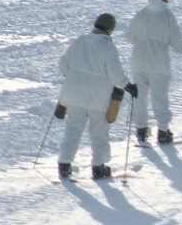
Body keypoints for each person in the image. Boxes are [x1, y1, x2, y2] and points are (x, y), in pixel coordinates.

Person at [56, 13, 137, 180]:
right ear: (110, 30)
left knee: (72, 131)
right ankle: (99, 167)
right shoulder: (108, 47)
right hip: (97, 99)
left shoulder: (80, 41)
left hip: (75, 95)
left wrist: (72, 76)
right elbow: (115, 74)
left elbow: (63, 64)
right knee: (99, 133)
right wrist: (129, 86)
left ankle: (64, 165)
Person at [125, 0, 182, 145]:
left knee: (140, 96)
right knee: (159, 97)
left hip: (139, 61)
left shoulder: (141, 13)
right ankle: (163, 131)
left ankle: (141, 130)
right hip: (159, 63)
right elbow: (178, 44)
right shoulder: (167, 15)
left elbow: (129, 36)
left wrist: (142, 43)